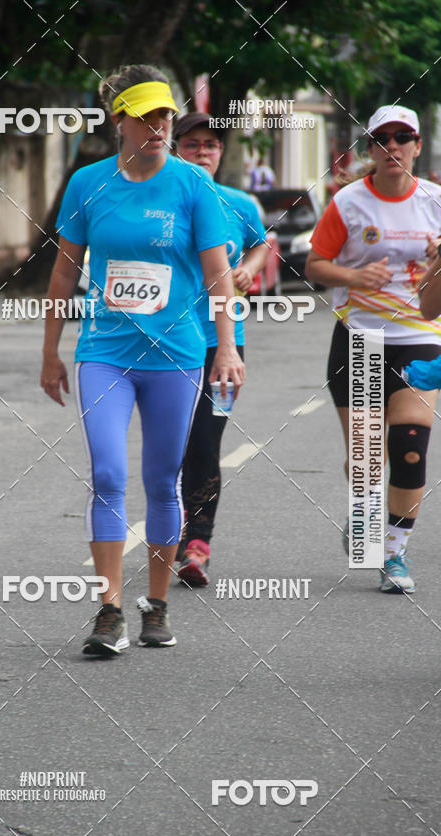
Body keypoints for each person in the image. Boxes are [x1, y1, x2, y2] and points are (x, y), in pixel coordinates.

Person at [41, 65, 244, 656]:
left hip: (175, 354)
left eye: (165, 116)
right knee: (106, 474)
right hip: (103, 352)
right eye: (146, 116)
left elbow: (218, 275)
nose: (158, 126)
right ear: (119, 122)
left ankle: (155, 605)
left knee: (161, 479)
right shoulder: (87, 184)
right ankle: (108, 611)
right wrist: (50, 349)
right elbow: (62, 269)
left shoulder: (192, 186)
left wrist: (226, 346)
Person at [305, 104, 441, 594]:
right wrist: (352, 275)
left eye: (402, 137)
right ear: (369, 149)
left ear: (416, 145)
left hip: (420, 335)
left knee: (410, 448)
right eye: (382, 138)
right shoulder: (348, 202)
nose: (392, 146)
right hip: (362, 338)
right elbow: (314, 265)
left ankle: (393, 552)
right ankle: (363, 512)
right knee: (367, 456)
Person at [172, 112, 268, 585]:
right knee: (173, 445)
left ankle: (197, 544)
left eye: (211, 145)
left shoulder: (239, 202)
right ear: (175, 149)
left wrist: (248, 267)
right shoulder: (161, 202)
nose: (203, 152)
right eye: (192, 144)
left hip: (225, 347)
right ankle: (171, 527)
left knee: (207, 442)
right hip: (166, 344)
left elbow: (261, 246)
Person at [404, 211, 441, 390]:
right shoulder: (350, 199)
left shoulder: (437, 197)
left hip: (422, 336)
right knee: (364, 418)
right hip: (365, 329)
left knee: (410, 419)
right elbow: (429, 306)